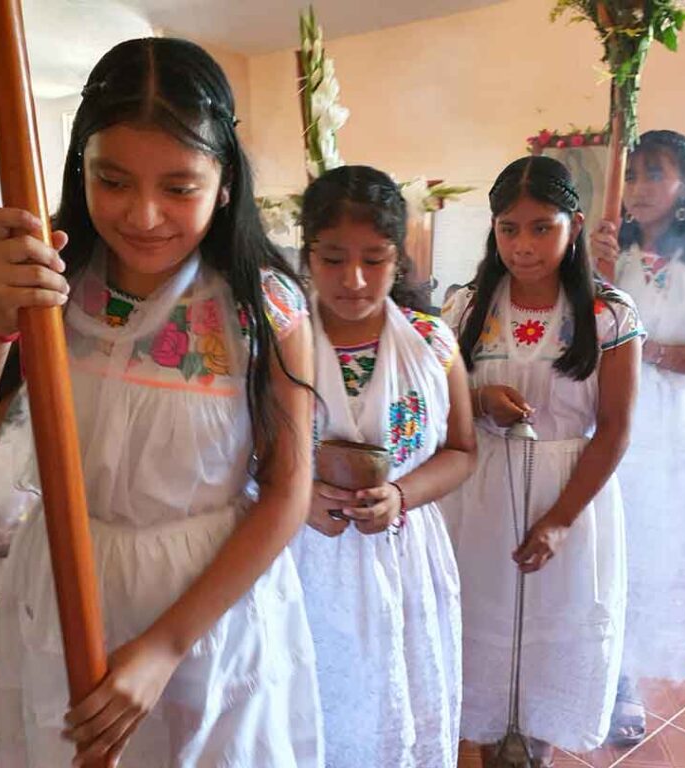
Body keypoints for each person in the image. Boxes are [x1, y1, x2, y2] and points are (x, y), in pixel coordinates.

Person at [0, 37, 322, 767]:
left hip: (205, 606)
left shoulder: (265, 305)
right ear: (80, 168)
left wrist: (164, 647)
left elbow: (289, 491)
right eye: (113, 179)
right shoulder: (47, 285)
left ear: (225, 182)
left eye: (179, 186)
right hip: (68, 585)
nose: (143, 215)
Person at [441, 156, 642, 766]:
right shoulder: (468, 306)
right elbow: (440, 405)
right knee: (481, 628)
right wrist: (477, 400)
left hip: (569, 492)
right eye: (508, 228)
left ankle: (536, 752)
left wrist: (559, 520)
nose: (522, 246)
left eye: (540, 228)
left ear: (574, 226)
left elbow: (613, 430)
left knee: (552, 632)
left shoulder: (609, 315)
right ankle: (481, 747)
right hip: (479, 496)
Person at [290, 165, 475, 767]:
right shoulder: (277, 340)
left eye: (375, 258)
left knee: (401, 709)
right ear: (307, 254)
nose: (355, 278)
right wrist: (297, 495)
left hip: (404, 557)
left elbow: (461, 451)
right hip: (303, 558)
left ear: (400, 260)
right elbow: (246, 451)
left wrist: (401, 495)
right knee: (315, 709)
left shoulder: (431, 342)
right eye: (334, 258)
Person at [589, 130, 685, 744]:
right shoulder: (612, 248)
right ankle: (594, 665)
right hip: (609, 410)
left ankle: (629, 679)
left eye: (655, 174)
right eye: (631, 176)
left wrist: (637, 347)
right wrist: (594, 269)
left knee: (654, 546)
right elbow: (584, 325)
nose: (638, 189)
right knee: (604, 540)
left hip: (672, 422)